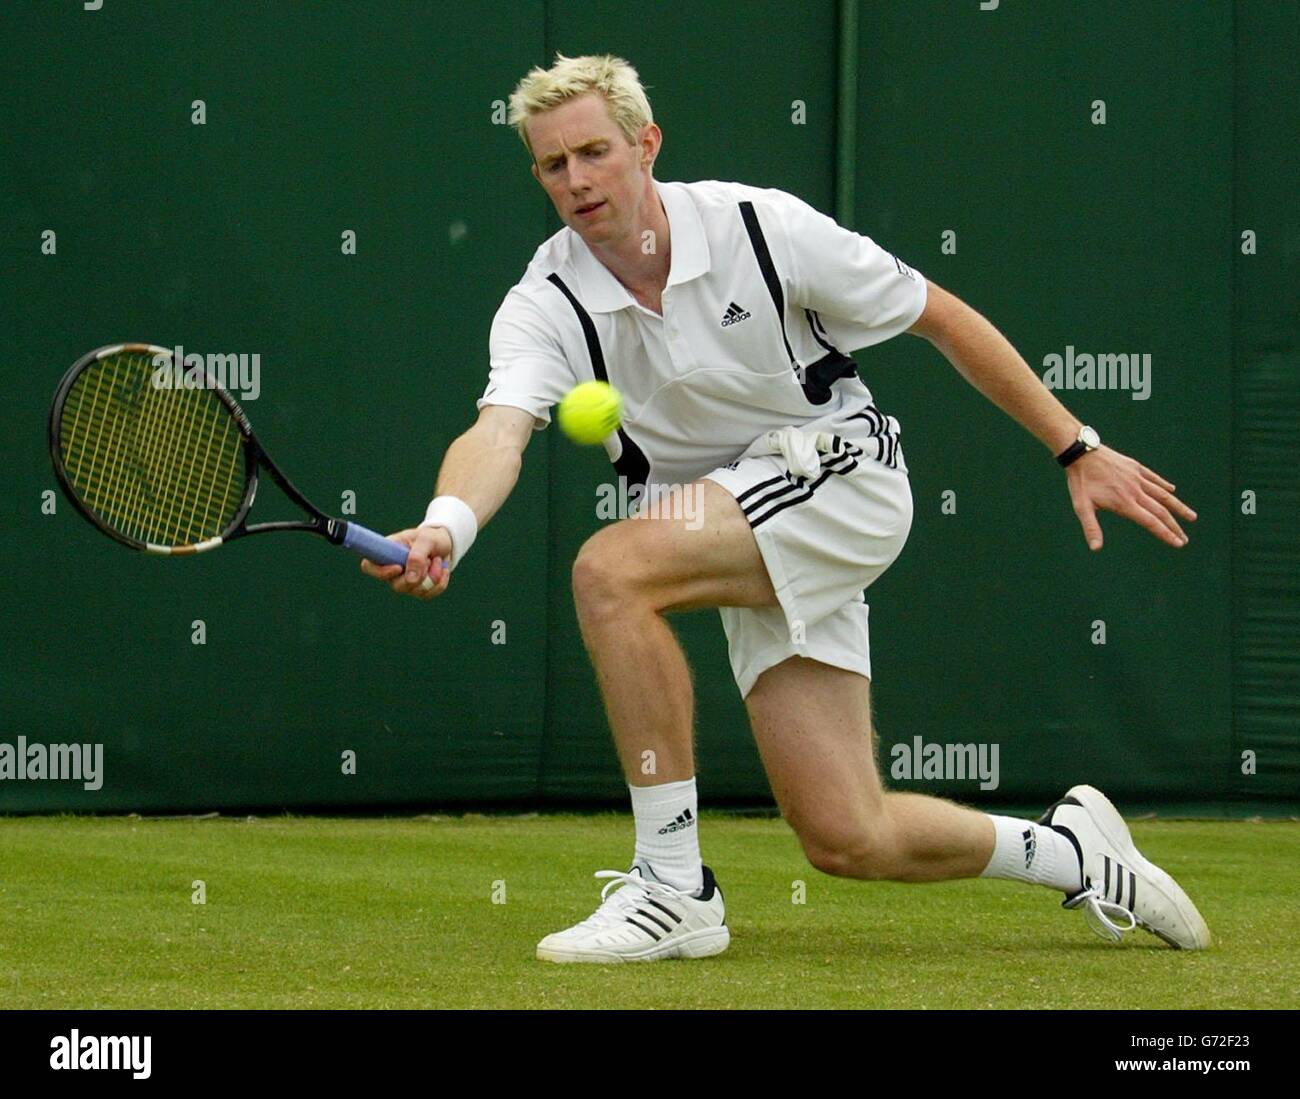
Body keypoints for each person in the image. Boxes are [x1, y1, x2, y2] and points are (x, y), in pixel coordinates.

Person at [360, 53, 1209, 962]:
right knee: (848, 834)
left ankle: (673, 884)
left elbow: (941, 315)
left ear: (646, 144)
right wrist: (448, 522)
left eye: (594, 153)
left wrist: (1074, 446)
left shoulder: (760, 228)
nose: (576, 180)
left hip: (840, 474)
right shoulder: (545, 301)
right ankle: (1073, 851)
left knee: (609, 571)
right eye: (552, 165)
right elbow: (498, 431)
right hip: (732, 523)